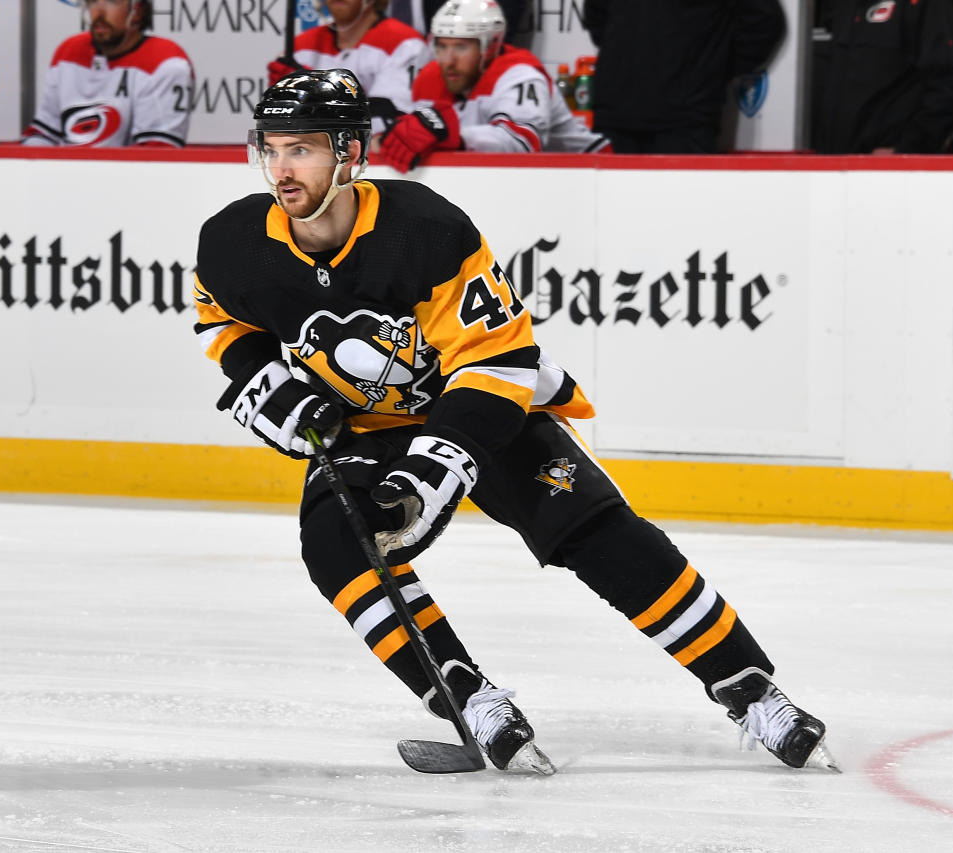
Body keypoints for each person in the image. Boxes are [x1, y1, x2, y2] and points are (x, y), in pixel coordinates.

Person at [192, 68, 837, 774]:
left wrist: (438, 464)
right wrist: (270, 387)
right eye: (274, 148)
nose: (283, 169)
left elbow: (498, 360)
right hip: (367, 428)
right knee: (334, 541)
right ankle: (465, 695)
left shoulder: (425, 230)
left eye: (304, 149)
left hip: (479, 403)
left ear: (349, 153)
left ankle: (750, 688)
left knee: (597, 533)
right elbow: (222, 320)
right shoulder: (232, 242)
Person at [377, 0, 607, 173]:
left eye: (461, 47)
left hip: (592, 175)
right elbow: (414, 132)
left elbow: (521, 142)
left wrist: (450, 134)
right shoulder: (431, 76)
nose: (448, 60)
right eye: (442, 46)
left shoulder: (519, 73)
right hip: (511, 179)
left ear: (490, 46)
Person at [580, 0, 786, 154]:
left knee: (678, 207)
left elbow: (765, 22)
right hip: (620, 116)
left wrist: (713, 67)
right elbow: (596, 16)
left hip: (682, 120)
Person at [24, 0, 193, 147]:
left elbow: (155, 156)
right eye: (93, 1)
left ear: (138, 11)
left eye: (112, 1)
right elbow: (43, 135)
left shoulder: (165, 63)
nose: (98, 12)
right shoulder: (68, 52)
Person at [811, 0, 953, 154]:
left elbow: (949, 84)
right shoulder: (844, 5)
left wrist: (906, 149)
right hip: (835, 163)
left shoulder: (929, 4)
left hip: (891, 168)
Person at [267, 0, 430, 135]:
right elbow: (281, 128)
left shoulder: (405, 44)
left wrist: (311, 98)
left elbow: (383, 120)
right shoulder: (300, 47)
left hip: (372, 167)